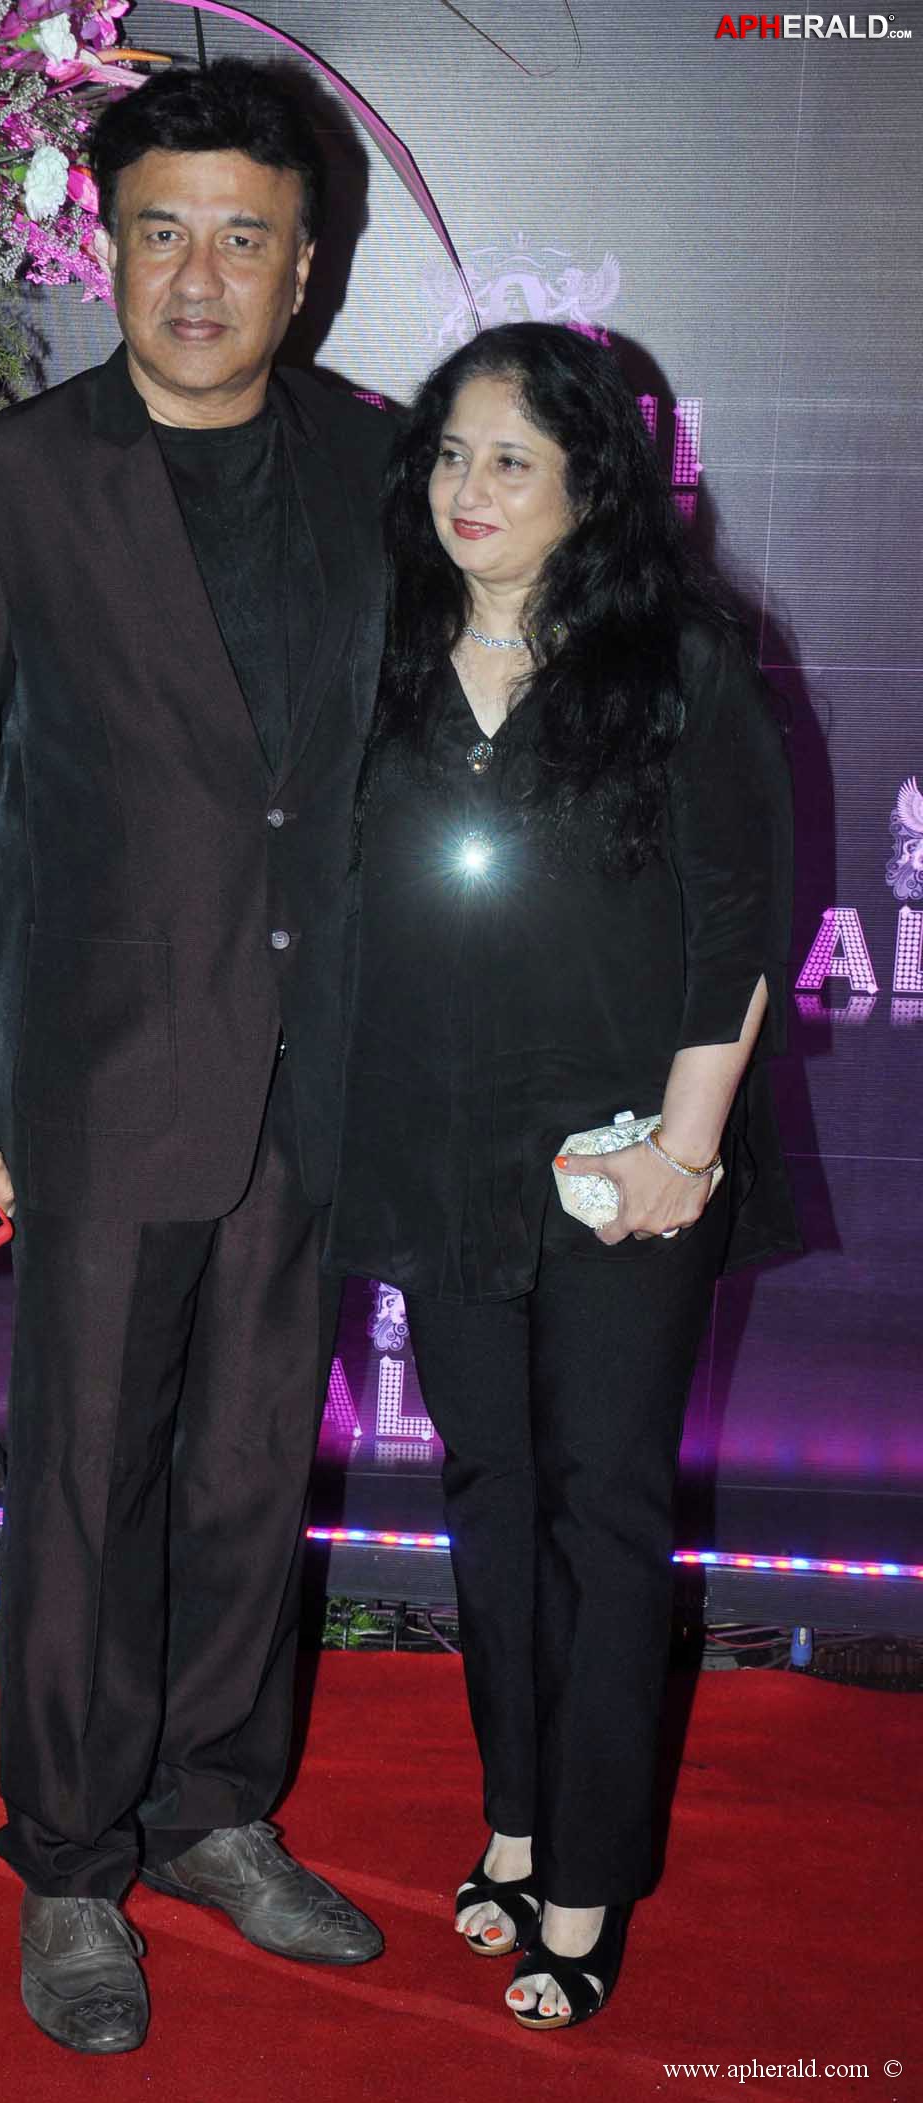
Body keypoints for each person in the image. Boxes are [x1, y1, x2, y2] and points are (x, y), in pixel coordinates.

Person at [0, 59, 391, 2057]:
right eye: (161, 231)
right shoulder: (11, 483)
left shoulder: (378, 465)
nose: (198, 277)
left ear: (304, 266)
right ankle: (75, 1859)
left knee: (256, 1465)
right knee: (88, 1482)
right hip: (96, 1075)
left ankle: (213, 1806)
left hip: (316, 1066)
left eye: (243, 239)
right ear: (105, 248)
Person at [325, 322, 797, 2030]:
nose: (471, 488)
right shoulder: (378, 654)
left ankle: (588, 1878)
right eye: (452, 454)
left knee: (604, 1506)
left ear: (594, 486)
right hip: (436, 1148)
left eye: (512, 459)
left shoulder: (679, 663)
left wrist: (686, 1149)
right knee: (491, 1491)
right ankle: (516, 1821)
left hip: (623, 1164)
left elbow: (740, 922)